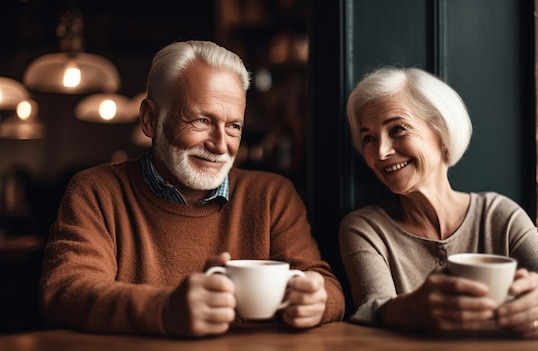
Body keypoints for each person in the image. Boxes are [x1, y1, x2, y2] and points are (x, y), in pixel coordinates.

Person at [39, 40, 344, 337]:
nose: (221, 144)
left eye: (234, 126)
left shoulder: (273, 195)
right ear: (150, 119)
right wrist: (165, 310)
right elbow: (65, 291)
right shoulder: (96, 190)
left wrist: (316, 301)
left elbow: (326, 286)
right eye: (201, 120)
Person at [338, 67, 538, 338]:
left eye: (398, 129)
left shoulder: (498, 215)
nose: (380, 152)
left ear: (441, 130)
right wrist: (412, 308)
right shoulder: (365, 229)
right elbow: (371, 310)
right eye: (369, 138)